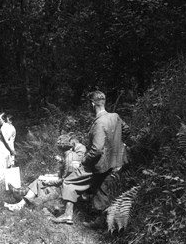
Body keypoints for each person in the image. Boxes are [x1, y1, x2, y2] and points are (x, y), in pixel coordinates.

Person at [51, 91, 130, 225]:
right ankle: (100, 223)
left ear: (92, 104)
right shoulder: (115, 116)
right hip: (115, 162)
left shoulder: (99, 123)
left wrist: (84, 161)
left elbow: (97, 150)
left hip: (99, 164)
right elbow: (127, 130)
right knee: (101, 190)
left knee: (69, 181)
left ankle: (68, 215)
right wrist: (120, 146)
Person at [4, 133, 86, 212]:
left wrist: (49, 182)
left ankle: (21, 202)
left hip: (66, 188)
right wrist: (49, 176)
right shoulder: (69, 156)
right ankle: (21, 202)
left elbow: (65, 180)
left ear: (61, 147)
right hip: (67, 184)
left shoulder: (70, 158)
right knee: (40, 180)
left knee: (40, 182)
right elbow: (64, 176)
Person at [0, 112, 16, 186]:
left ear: (3, 119)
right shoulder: (7, 126)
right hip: (4, 149)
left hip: (3, 149)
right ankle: (4, 183)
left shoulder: (4, 127)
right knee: (5, 165)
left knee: (1, 165)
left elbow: (7, 141)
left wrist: (11, 150)